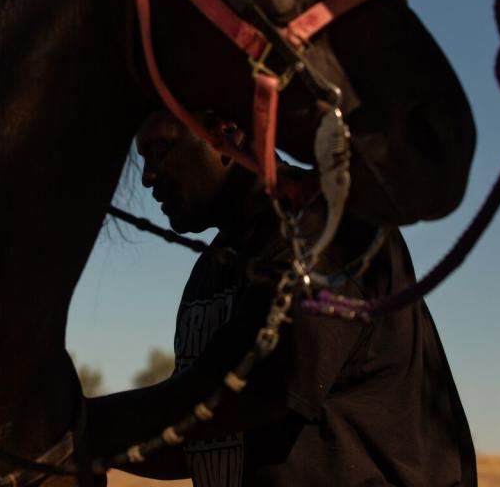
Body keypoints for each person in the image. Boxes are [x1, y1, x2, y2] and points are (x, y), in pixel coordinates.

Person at [87, 111, 477, 486]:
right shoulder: (214, 270)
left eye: (161, 151)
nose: (149, 178)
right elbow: (196, 439)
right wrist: (78, 450)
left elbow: (254, 390)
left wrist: (80, 425)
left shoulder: (327, 223)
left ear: (229, 132)